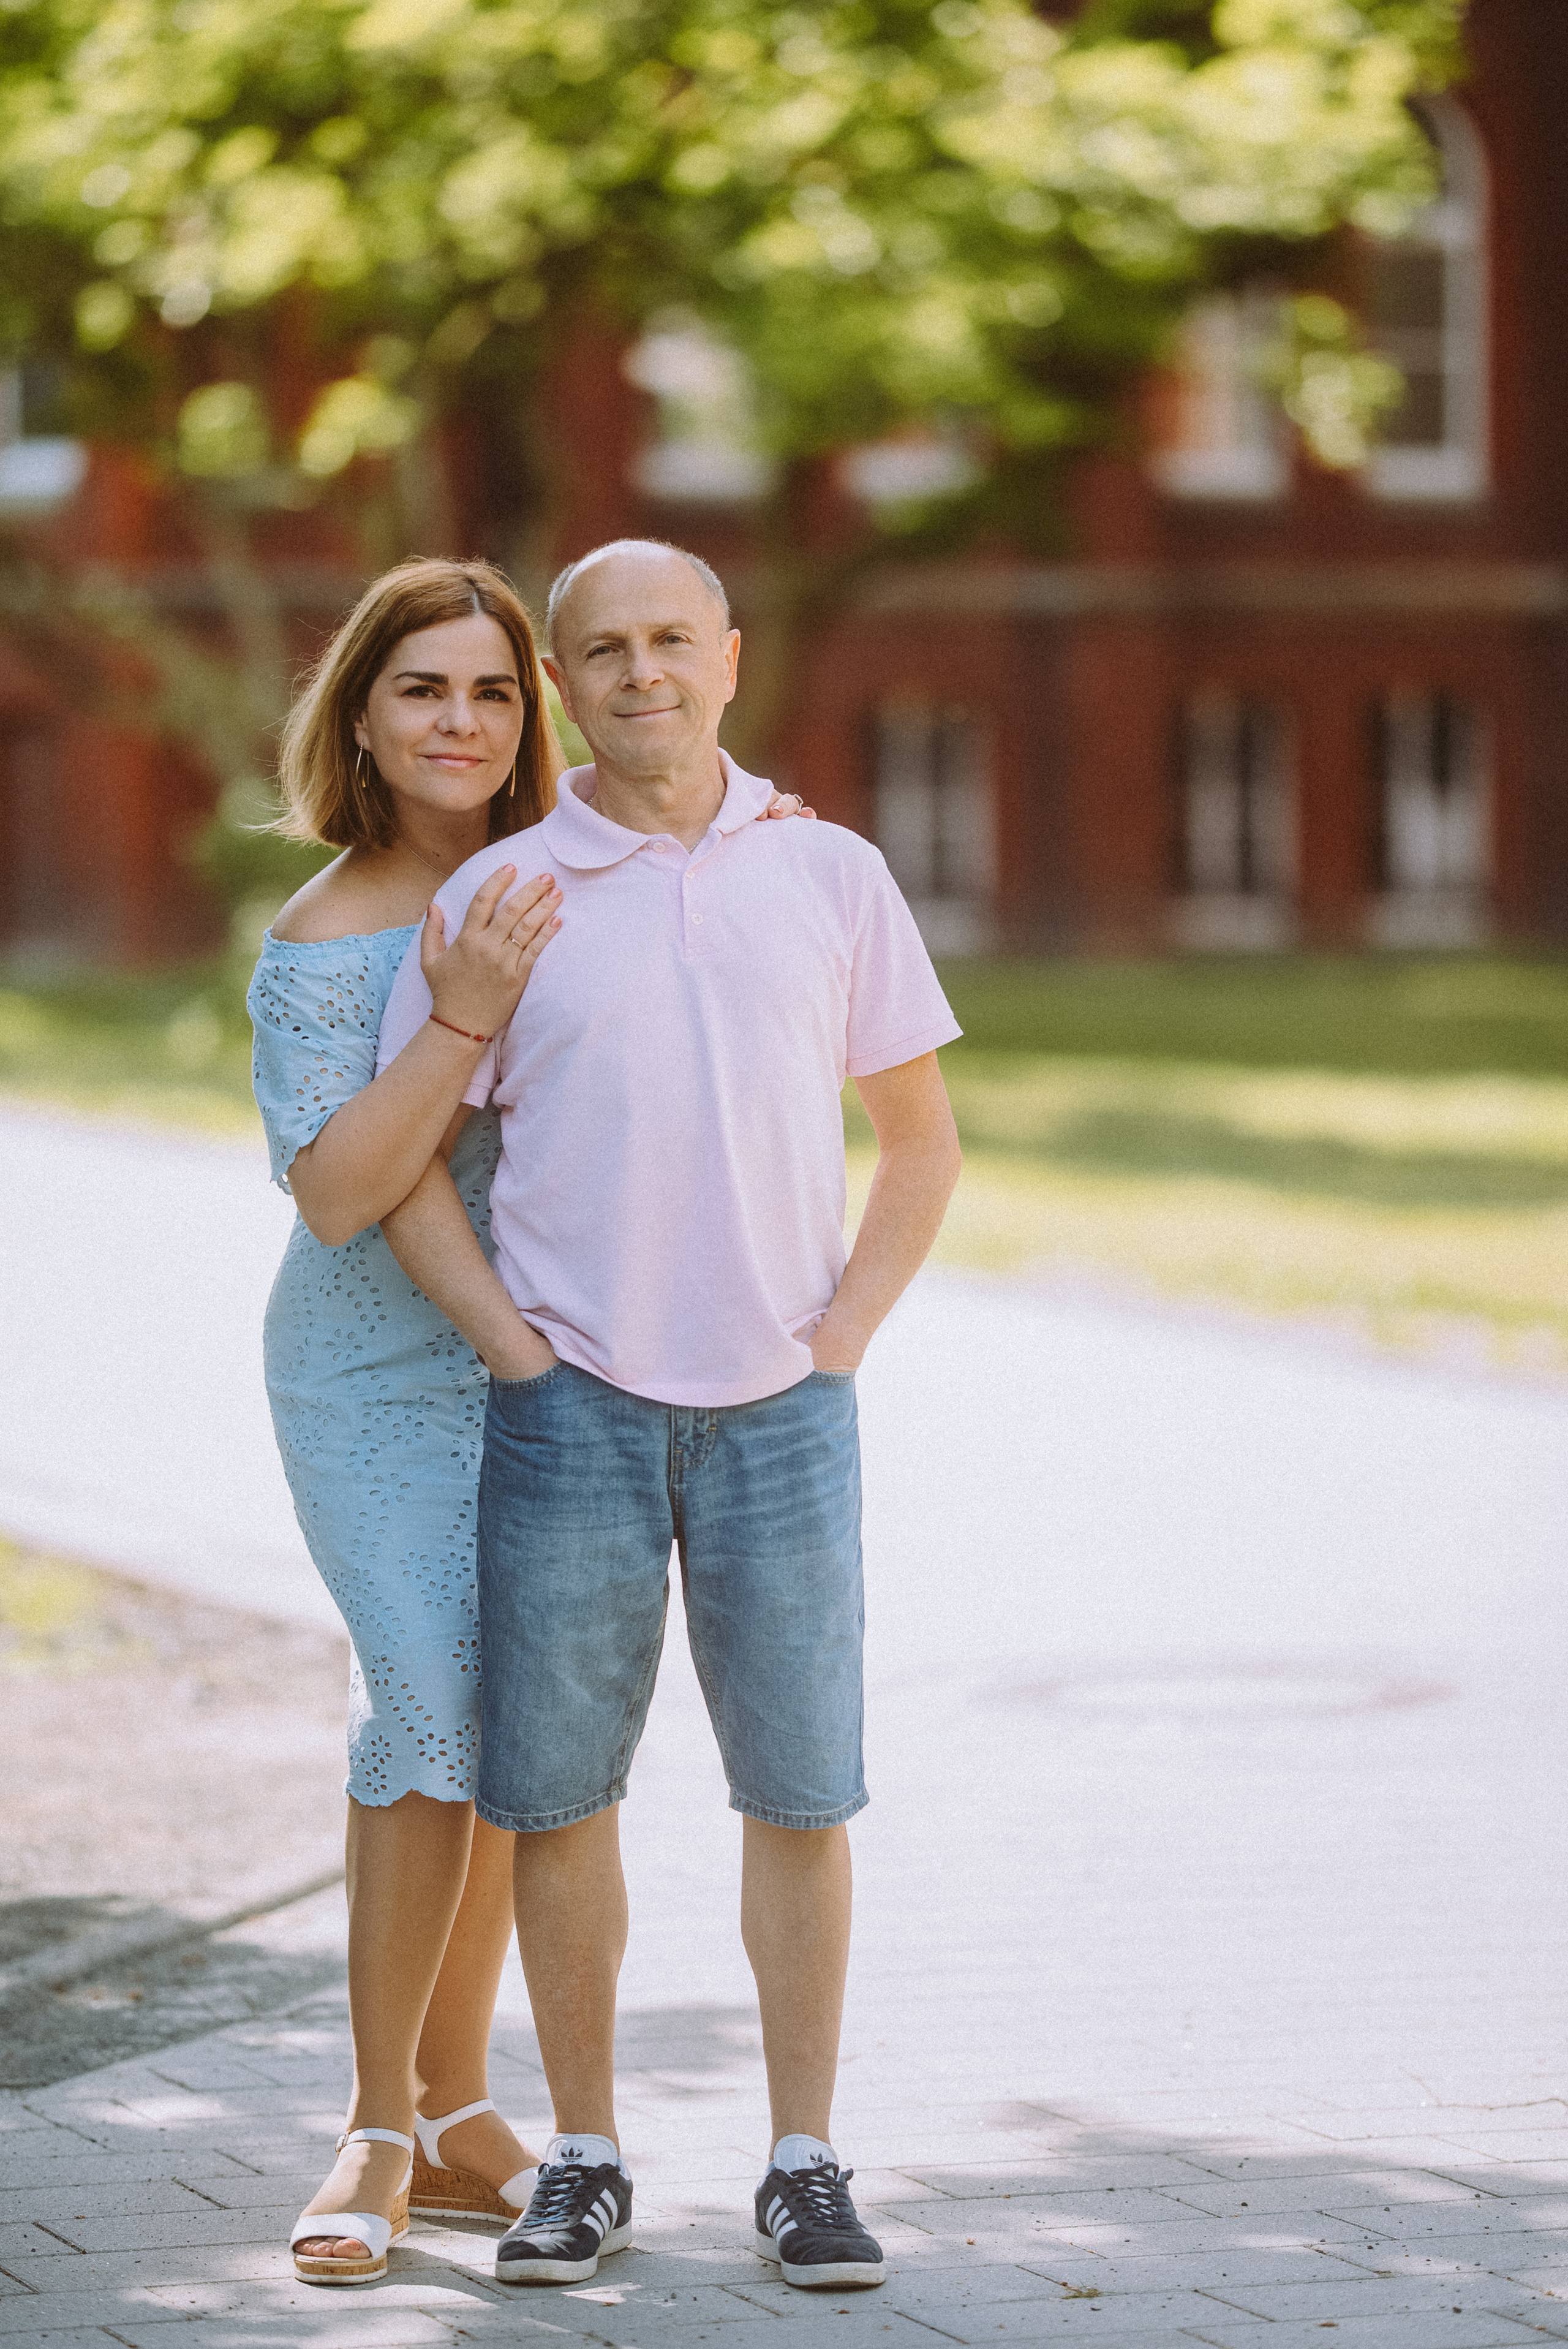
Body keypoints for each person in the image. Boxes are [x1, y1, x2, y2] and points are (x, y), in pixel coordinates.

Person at [374, 537, 963, 2294]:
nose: (643, 673)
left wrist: (842, 1332)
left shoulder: (832, 872)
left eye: (671, 640)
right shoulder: (504, 894)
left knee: (801, 1790)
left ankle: (802, 2156)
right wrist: (513, 1346)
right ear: (561, 682)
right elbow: (403, 1165)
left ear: (729, 653)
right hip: (573, 1409)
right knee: (561, 1800)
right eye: (604, 650)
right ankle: (584, 2150)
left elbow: (921, 1142)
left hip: (785, 1412)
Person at [247, 553, 820, 2285]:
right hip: (373, 1370)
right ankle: (368, 2119)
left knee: (520, 1734)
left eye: (492, 690)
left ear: (538, 710)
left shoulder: (563, 874)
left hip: (552, 1357)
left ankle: (455, 2099)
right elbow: (344, 1192)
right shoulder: (332, 929)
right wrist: (468, 1012)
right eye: (422, 686)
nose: (460, 719)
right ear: (362, 712)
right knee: (423, 1702)